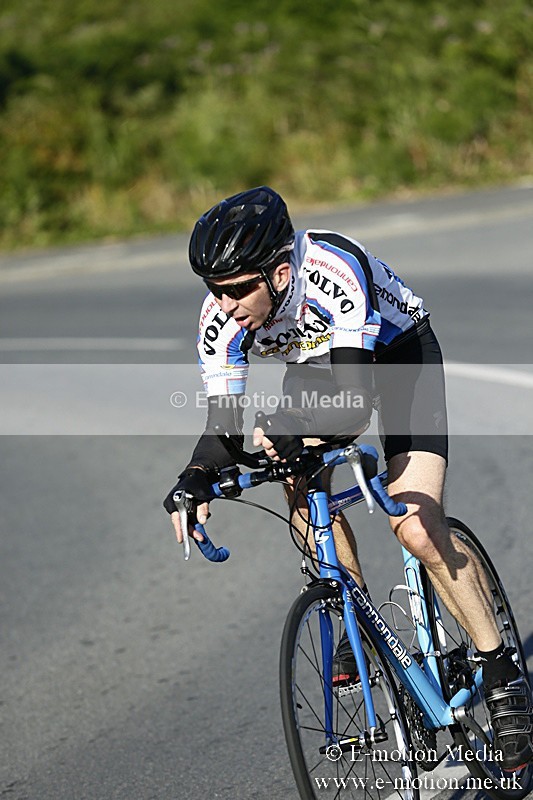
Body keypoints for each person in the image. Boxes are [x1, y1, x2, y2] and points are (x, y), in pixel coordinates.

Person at [164, 186, 533, 771]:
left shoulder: (333, 271)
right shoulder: (221, 316)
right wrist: (195, 476)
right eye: (214, 290)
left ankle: (501, 672)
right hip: (318, 368)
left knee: (414, 526)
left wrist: (290, 431)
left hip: (395, 356)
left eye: (237, 290)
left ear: (281, 273)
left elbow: (354, 405)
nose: (224, 305)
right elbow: (224, 427)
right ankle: (352, 614)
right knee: (295, 475)